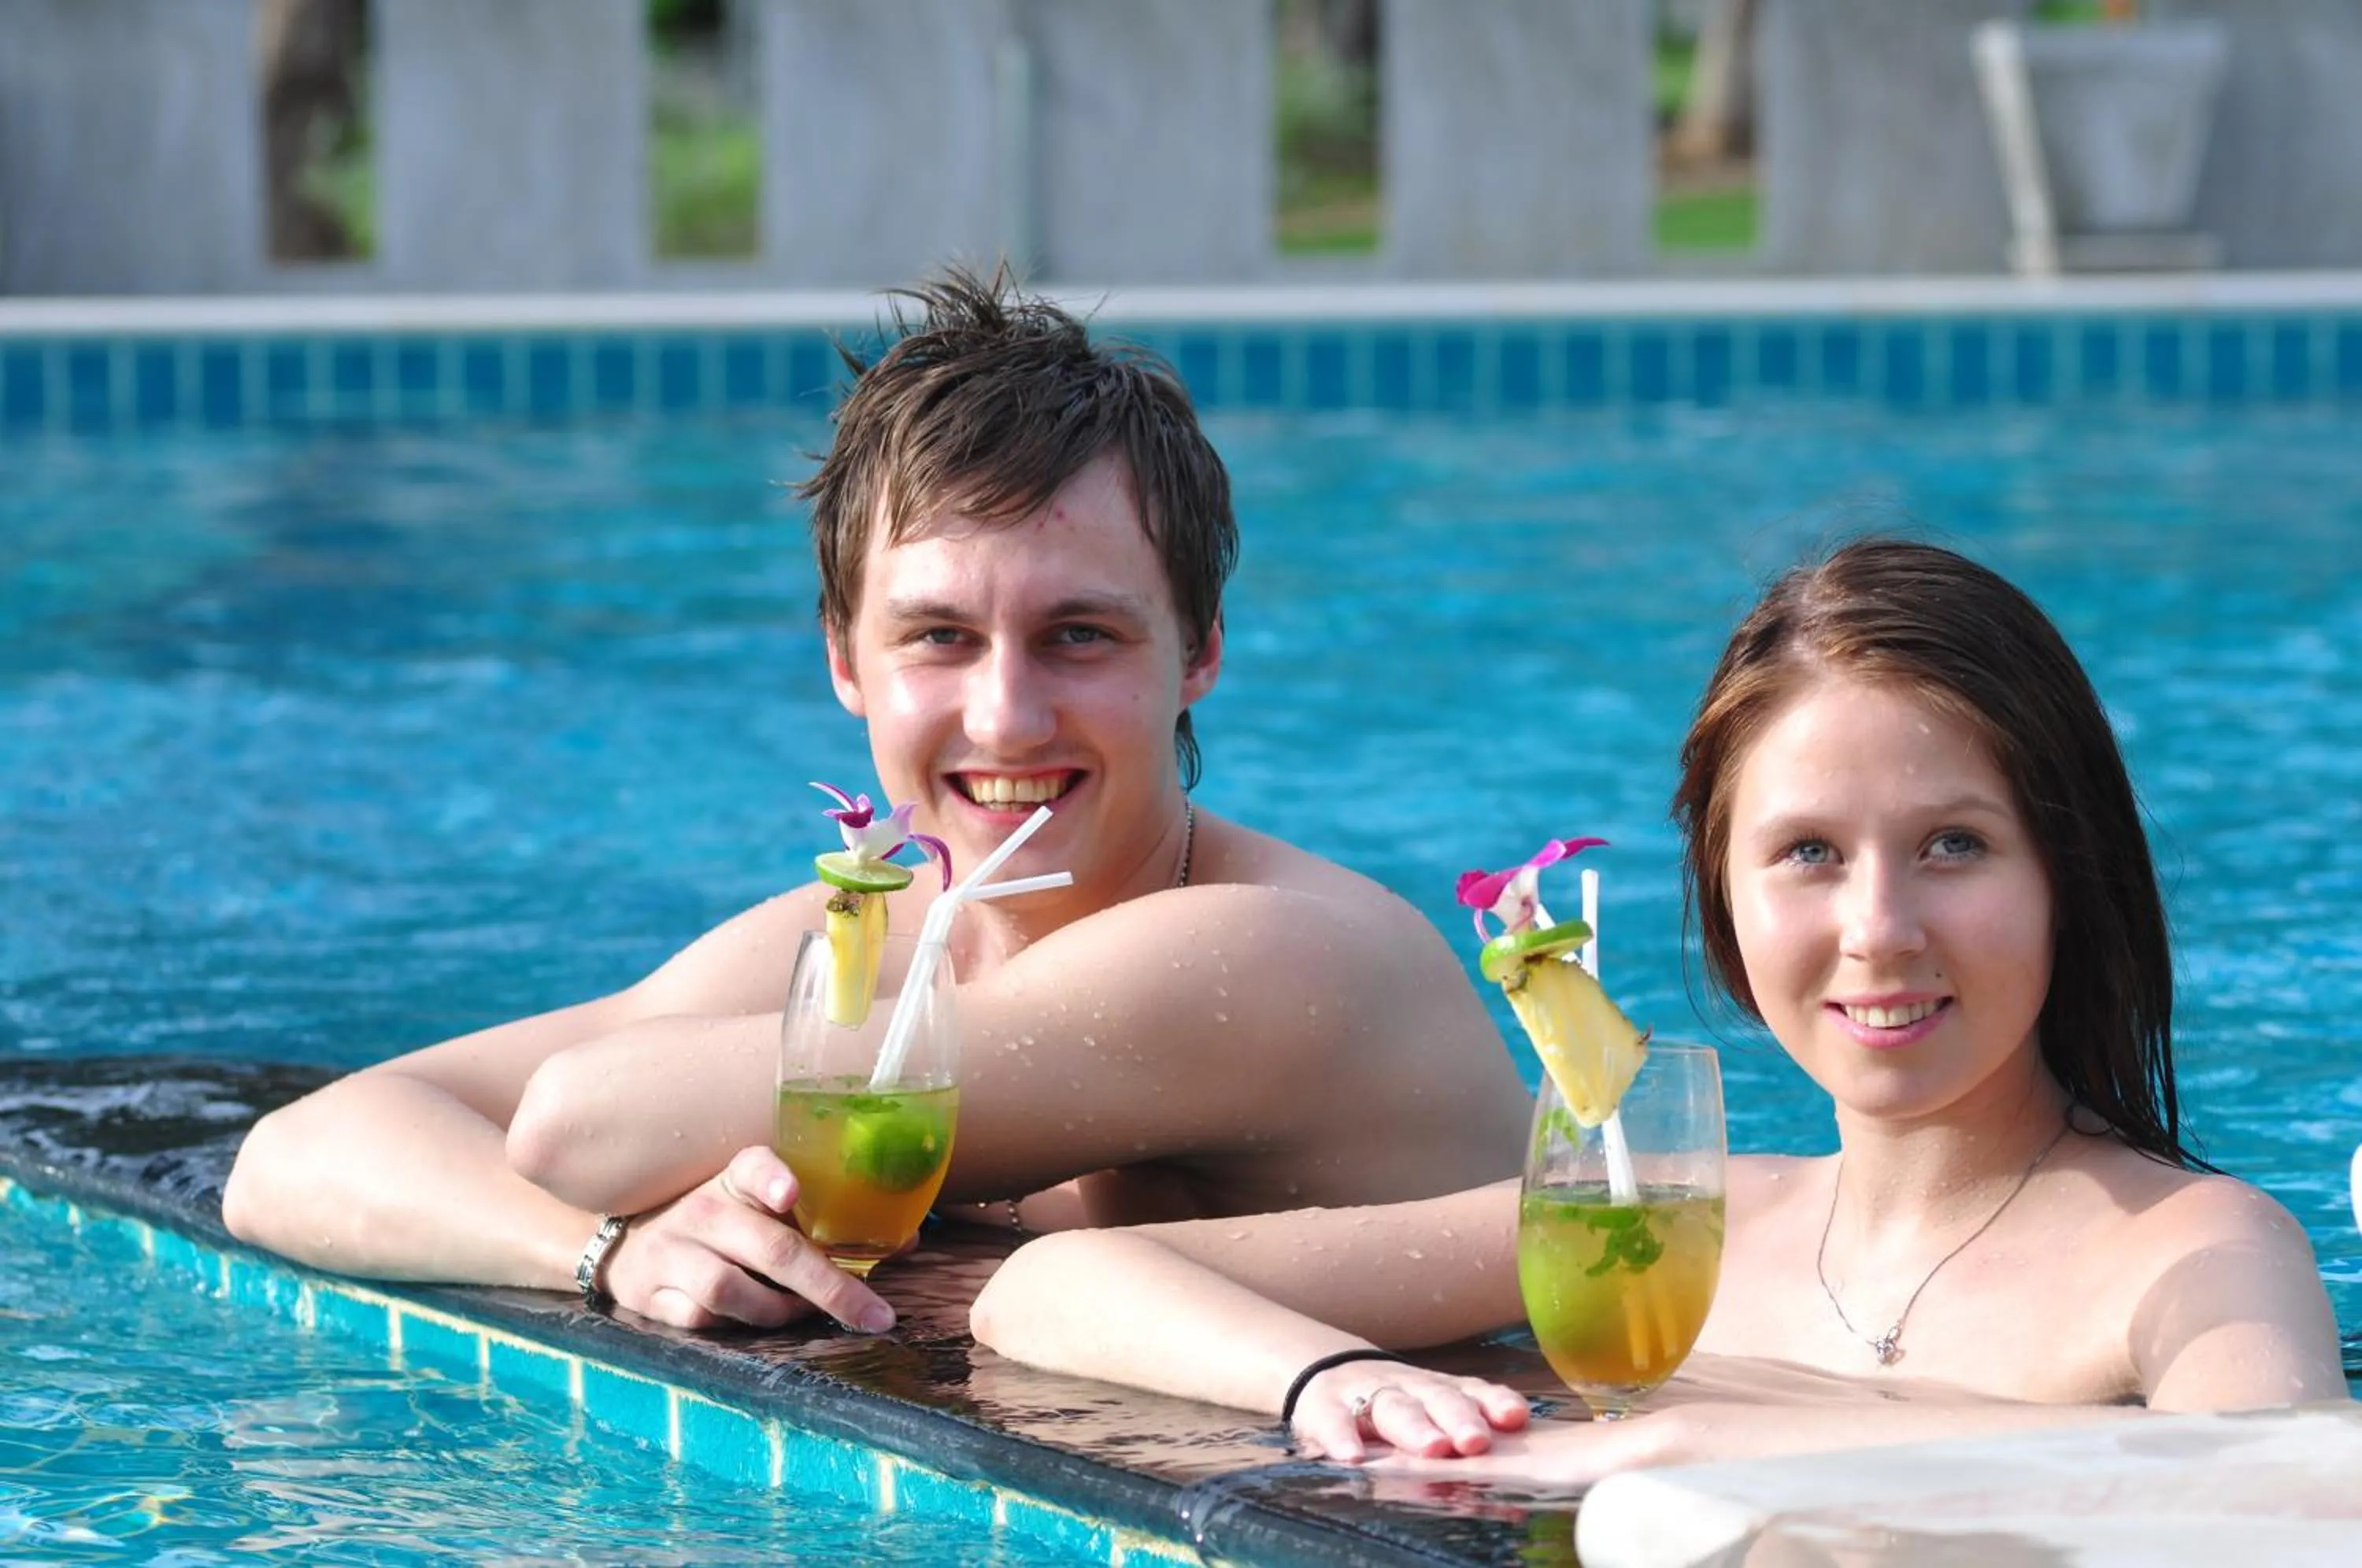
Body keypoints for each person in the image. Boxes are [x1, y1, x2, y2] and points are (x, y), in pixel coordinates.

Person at [220, 267, 1532, 1335]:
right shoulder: (893, 937)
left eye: (1080, 636)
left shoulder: (1269, 953)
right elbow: (296, 1154)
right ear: (846, 660)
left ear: (1198, 654)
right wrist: (610, 1256)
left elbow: (574, 1121)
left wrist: (643, 1186)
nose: (1007, 716)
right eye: (939, 637)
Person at [969, 537, 2350, 1474]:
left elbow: (2273, 1509)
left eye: (1954, 845)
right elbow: (1051, 1289)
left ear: (2068, 871)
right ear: (1726, 900)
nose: (1878, 928)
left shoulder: (2192, 1258)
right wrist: (1326, 1382)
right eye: (1808, 854)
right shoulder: (1680, 1233)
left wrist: (1696, 1440)